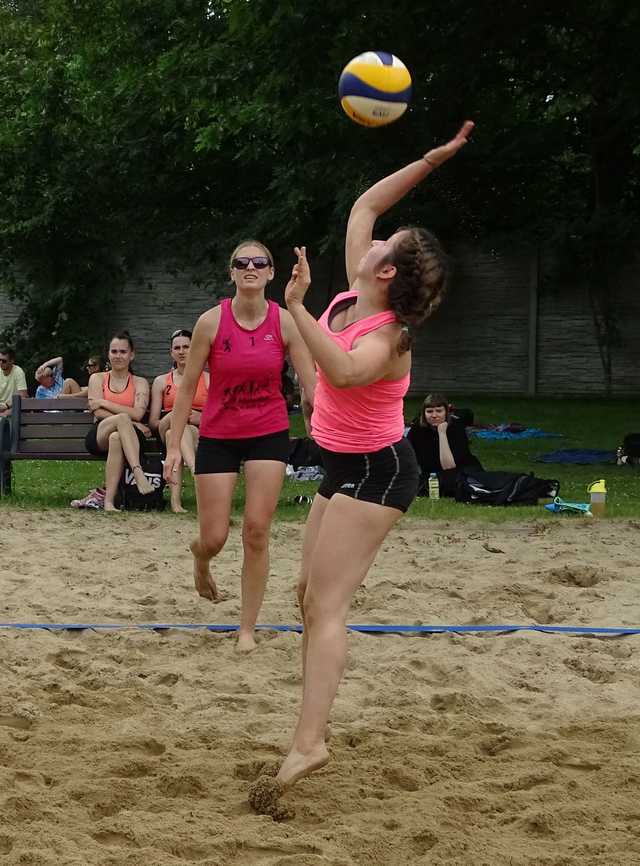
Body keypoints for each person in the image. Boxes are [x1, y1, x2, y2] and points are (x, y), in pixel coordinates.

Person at [248, 121, 474, 807]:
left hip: (381, 472)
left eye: (386, 247)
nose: (374, 239)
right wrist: (429, 161)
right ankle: (310, 726)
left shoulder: (391, 337)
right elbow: (364, 207)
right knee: (307, 600)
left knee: (329, 607)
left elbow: (342, 372)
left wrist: (294, 308)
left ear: (386, 273)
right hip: (342, 466)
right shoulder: (353, 288)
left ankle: (310, 741)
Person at [163, 240, 316, 652]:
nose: (250, 267)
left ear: (270, 273)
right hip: (219, 433)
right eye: (241, 262)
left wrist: (321, 418)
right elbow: (187, 387)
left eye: (259, 262)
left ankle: (246, 629)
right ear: (231, 273)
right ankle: (200, 560)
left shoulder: (285, 323)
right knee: (214, 538)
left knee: (256, 531)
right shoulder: (211, 323)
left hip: (267, 430)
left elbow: (312, 386)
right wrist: (174, 446)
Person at [85, 330, 155, 511]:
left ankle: (108, 502)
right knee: (122, 420)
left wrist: (105, 401)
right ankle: (138, 473)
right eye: (114, 351)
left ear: (132, 355)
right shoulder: (97, 378)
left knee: (117, 438)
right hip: (101, 432)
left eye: (123, 352)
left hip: (128, 437)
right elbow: (98, 411)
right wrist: (127, 421)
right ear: (108, 354)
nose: (118, 356)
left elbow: (138, 413)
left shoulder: (139, 383)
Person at [149, 329, 209, 513]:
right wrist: (178, 413)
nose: (182, 351)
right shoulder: (161, 381)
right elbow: (153, 423)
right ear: (171, 352)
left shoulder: (208, 379)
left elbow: (220, 415)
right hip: (166, 426)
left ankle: (175, 503)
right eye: (177, 348)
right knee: (174, 423)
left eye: (186, 347)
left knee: (177, 432)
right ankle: (195, 470)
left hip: (196, 432)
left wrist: (201, 417)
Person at [407, 392, 482, 496]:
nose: (434, 415)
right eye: (429, 411)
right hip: (432, 474)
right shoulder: (417, 430)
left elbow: (449, 466)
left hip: (459, 470)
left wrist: (442, 433)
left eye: (439, 411)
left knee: (454, 480)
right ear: (423, 413)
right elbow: (409, 459)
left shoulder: (456, 427)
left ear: (446, 412)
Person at [0, 348, 28, 416]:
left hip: (13, 408)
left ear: (11, 361)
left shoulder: (18, 372)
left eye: (4, 361)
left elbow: (23, 396)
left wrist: (7, 406)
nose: (0, 363)